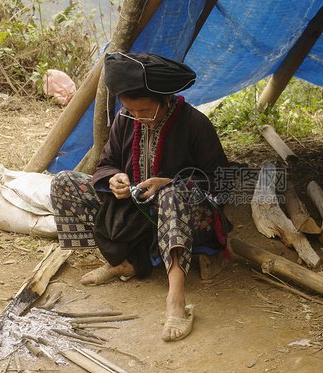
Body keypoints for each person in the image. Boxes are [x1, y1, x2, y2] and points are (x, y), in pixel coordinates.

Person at [50, 52, 231, 342]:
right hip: (137, 211)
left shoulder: (195, 123)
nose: (138, 118)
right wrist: (114, 178)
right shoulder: (126, 119)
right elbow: (105, 163)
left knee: (172, 195)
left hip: (186, 217)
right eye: (131, 111)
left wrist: (171, 182)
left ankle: (175, 298)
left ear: (166, 99)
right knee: (63, 183)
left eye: (145, 111)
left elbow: (223, 181)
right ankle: (124, 261)